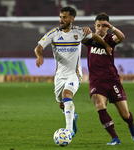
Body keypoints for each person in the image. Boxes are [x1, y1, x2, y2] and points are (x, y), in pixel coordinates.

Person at [34, 6, 112, 138]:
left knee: (66, 95)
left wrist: (106, 45)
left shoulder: (79, 32)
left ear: (72, 19)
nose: (61, 20)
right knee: (61, 104)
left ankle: (68, 130)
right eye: (60, 17)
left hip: (74, 74)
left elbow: (94, 36)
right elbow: (39, 47)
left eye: (64, 17)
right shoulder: (53, 34)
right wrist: (39, 55)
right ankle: (73, 117)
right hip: (59, 76)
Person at [82, 13, 134, 145]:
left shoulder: (110, 39)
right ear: (94, 26)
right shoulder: (90, 40)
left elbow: (121, 37)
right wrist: (84, 31)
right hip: (96, 81)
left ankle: (131, 126)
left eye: (103, 26)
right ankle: (115, 138)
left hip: (112, 80)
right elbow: (82, 39)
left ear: (107, 28)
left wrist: (112, 27)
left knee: (125, 115)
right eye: (98, 25)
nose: (100, 28)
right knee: (100, 105)